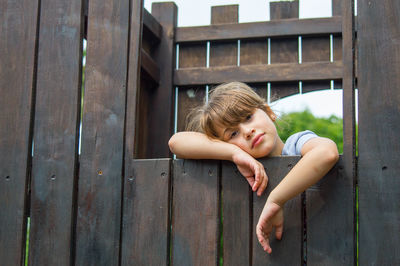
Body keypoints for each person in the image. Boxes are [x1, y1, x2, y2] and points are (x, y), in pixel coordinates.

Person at [168, 82, 339, 254]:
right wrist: (234, 153)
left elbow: (327, 152)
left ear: (269, 112)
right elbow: (176, 143)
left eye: (248, 117)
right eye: (233, 134)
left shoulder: (295, 146)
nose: (247, 131)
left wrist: (276, 200)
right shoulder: (238, 166)